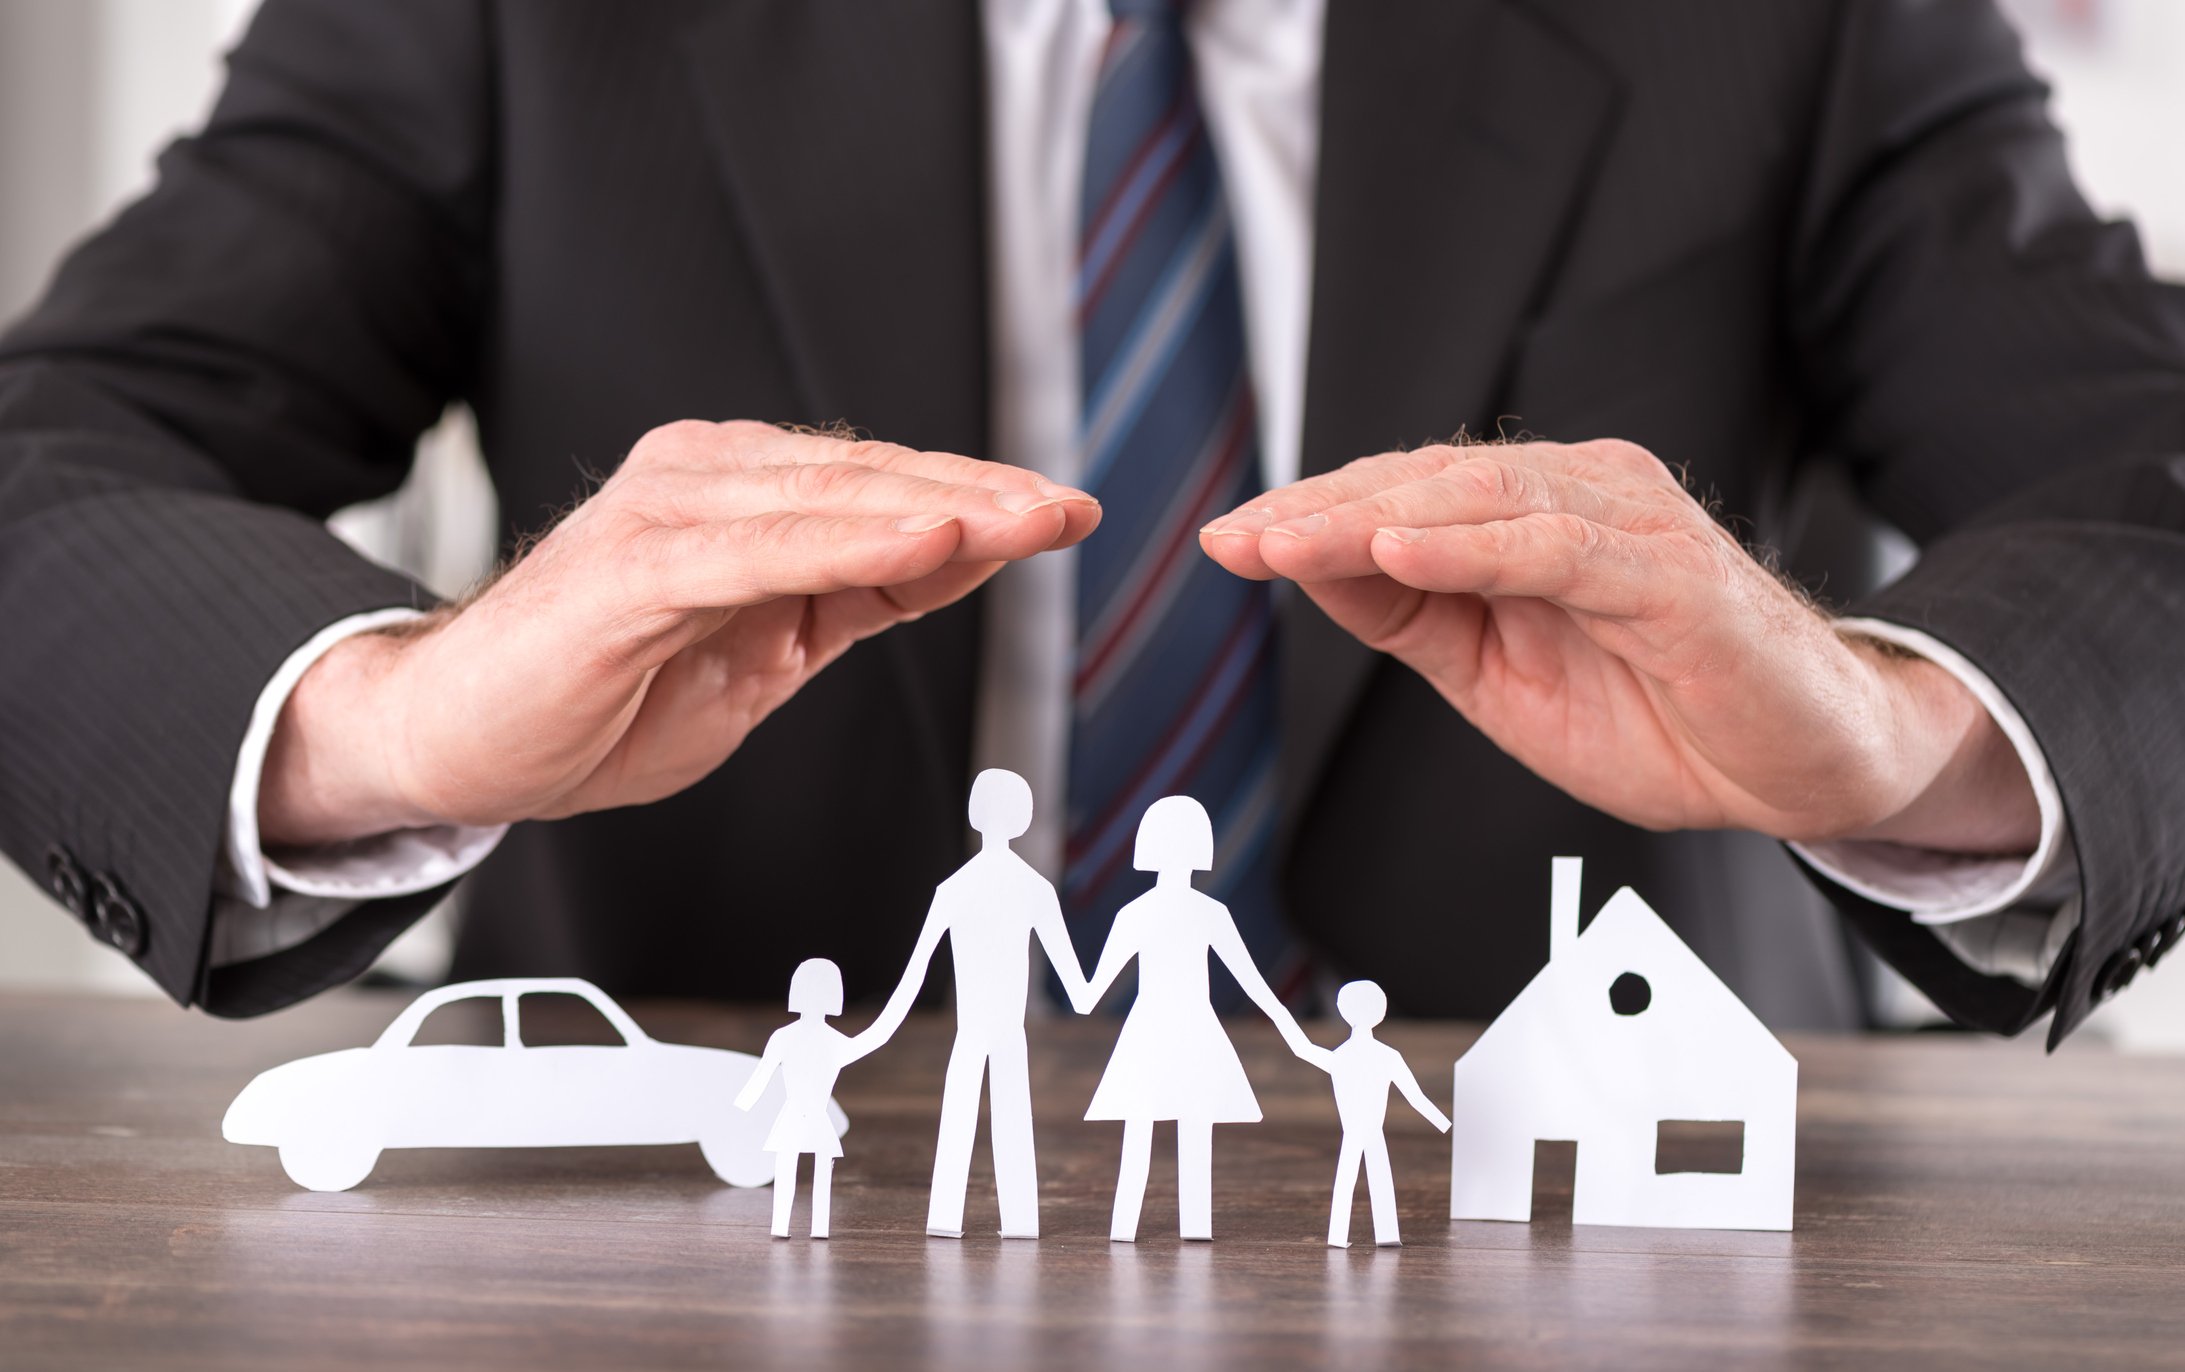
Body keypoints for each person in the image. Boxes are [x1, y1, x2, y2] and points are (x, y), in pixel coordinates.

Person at [2, 0, 2182, 1047]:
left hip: (1613, 1254)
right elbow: (53, 465)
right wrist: (391, 709)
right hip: (685, 1263)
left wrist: (1907, 733)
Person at [1080, 795, 1321, 1241]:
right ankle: (1186, 1226)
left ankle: (1127, 1228)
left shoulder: (1137, 914)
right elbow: (1255, 986)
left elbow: (1088, 995)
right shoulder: (1209, 912)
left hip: (1156, 1034)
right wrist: (1294, 1035)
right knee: (1190, 1133)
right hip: (1190, 1032)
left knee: (1142, 1134)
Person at [870, 768, 1094, 1239]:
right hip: (1005, 1033)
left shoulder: (955, 889)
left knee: (958, 1121)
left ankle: (947, 1217)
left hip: (971, 1033)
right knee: (1013, 1122)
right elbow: (1078, 988)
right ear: (1025, 816)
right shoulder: (1035, 889)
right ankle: (1018, 1220)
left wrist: (876, 1034)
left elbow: (913, 976)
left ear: (974, 813)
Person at [734, 958, 894, 1240]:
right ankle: (783, 1225)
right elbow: (761, 1075)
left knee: (815, 1175)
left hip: (815, 1118)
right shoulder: (789, 1037)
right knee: (790, 1173)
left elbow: (876, 1038)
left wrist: (898, 1008)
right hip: (798, 1116)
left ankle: (816, 1227)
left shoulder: (830, 1041)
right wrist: (740, 1109)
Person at [1308, 980, 1451, 1249]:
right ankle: (1382, 1234)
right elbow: (1415, 1097)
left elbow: (1302, 1049)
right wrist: (1442, 1122)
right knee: (1379, 1182)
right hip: (1370, 1131)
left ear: (1342, 1009)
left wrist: (1278, 1016)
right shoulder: (1386, 1055)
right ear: (1381, 1011)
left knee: (1346, 1183)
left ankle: (1342, 1236)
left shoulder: (1340, 1056)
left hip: (1359, 1131)